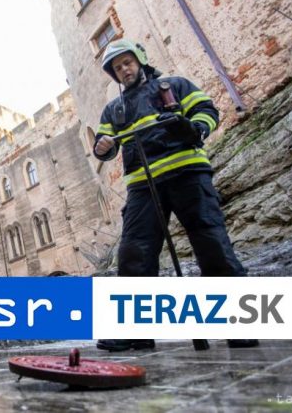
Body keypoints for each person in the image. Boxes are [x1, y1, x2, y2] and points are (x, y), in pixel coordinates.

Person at [92, 39, 259, 352]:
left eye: (127, 62)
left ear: (139, 61)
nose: (124, 70)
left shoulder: (174, 86)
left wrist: (194, 128)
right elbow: (105, 144)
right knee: (134, 254)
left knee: (212, 244)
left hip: (187, 173)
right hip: (143, 185)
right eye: (117, 67)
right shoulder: (114, 109)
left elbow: (206, 111)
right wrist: (102, 147)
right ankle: (135, 331)